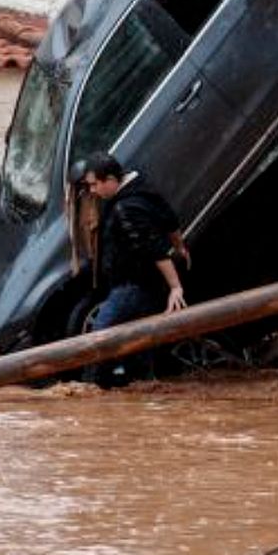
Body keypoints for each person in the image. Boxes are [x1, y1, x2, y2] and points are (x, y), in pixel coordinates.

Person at [80, 153, 190, 388]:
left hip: (132, 285)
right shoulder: (142, 187)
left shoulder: (125, 209)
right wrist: (180, 248)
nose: (92, 191)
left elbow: (154, 249)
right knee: (139, 342)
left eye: (94, 184)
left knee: (99, 337)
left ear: (111, 180)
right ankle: (140, 384)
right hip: (146, 284)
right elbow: (170, 219)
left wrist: (176, 287)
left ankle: (94, 391)